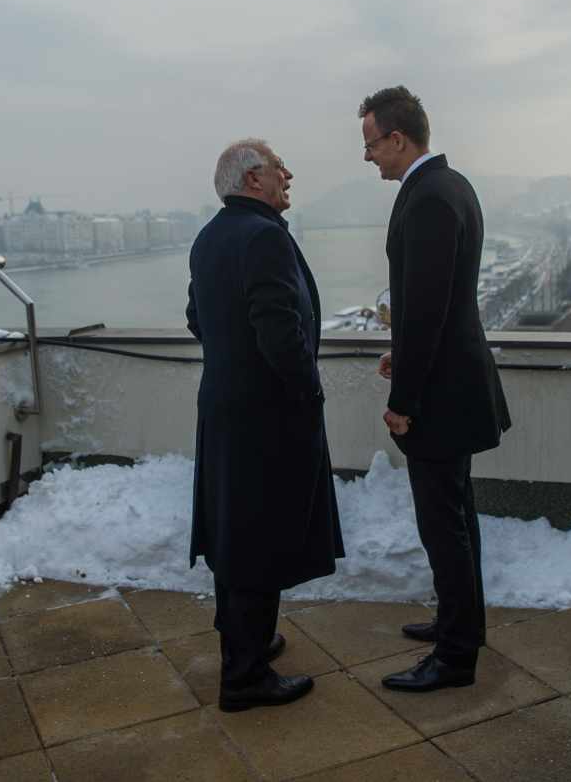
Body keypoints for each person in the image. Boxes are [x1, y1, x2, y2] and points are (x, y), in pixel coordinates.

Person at [359, 86, 512, 692]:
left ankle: (454, 658)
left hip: (441, 397)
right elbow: (439, 305)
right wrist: (406, 353)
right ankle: (461, 626)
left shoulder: (425, 199)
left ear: (399, 138)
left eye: (371, 145)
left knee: (442, 525)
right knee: (457, 518)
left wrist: (403, 403)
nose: (368, 157)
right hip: (455, 378)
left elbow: (422, 310)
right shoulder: (453, 186)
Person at [186, 137, 345, 712]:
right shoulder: (264, 238)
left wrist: (232, 362)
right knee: (259, 535)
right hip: (267, 415)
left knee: (235, 532)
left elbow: (196, 318)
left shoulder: (210, 238)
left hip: (225, 409)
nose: (289, 174)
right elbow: (281, 335)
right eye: (280, 167)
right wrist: (308, 394)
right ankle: (246, 677)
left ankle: (248, 642)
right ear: (254, 178)